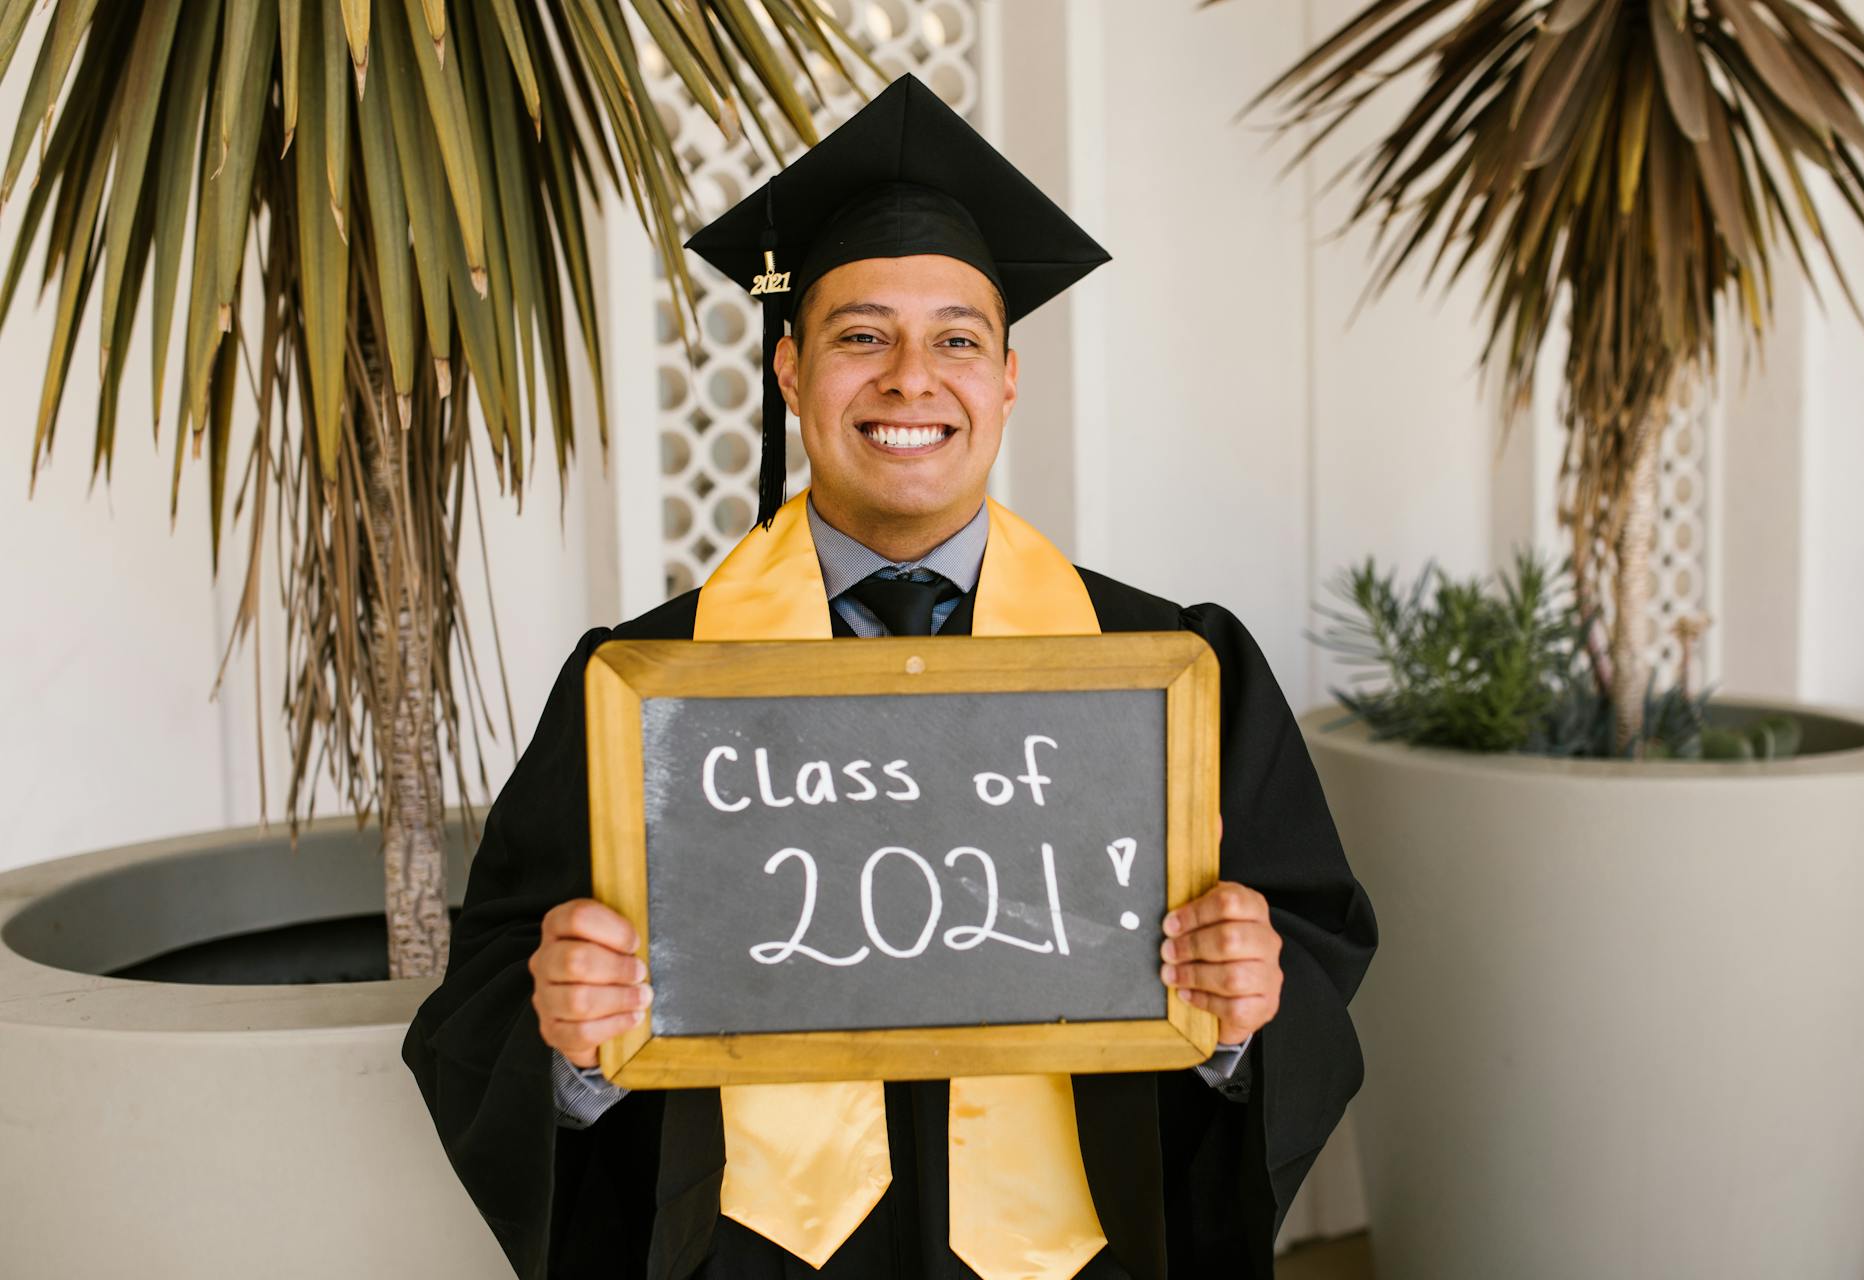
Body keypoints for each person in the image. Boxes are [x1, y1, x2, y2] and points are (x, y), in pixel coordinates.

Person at [403, 73, 1376, 1280]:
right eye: (863, 334)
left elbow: (1306, 951)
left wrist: (1246, 1015)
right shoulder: (646, 689)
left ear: (1007, 382)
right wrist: (570, 1040)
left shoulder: (1171, 674)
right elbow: (492, 991)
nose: (912, 377)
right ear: (790, 373)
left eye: (957, 338)